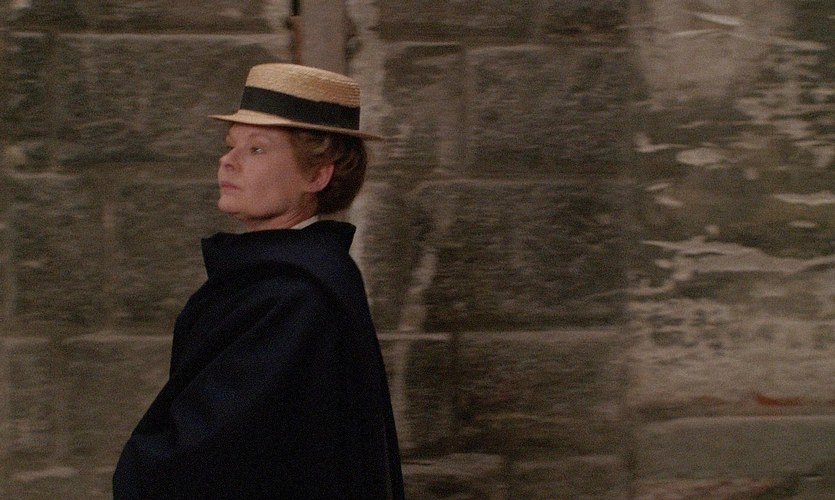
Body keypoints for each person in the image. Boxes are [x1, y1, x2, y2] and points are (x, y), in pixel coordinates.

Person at [113, 63, 405, 499]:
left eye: (256, 149)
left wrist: (140, 473)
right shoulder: (285, 277)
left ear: (317, 175)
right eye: (231, 145)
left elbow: (210, 452)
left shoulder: (293, 296)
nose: (227, 161)